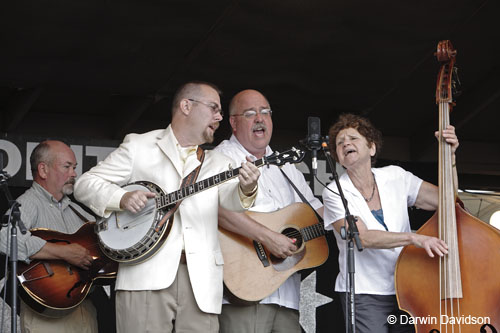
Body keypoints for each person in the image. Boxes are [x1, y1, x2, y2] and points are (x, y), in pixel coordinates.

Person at [73, 81, 260, 333]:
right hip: (144, 275)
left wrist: (247, 187)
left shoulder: (219, 161)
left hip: (201, 282)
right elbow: (85, 183)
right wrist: (121, 198)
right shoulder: (139, 146)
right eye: (214, 108)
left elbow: (232, 201)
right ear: (186, 106)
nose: (219, 116)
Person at [322, 113, 458, 333]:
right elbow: (362, 237)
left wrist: (449, 156)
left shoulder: (396, 176)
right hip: (364, 293)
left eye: (353, 138)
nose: (346, 143)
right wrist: (413, 238)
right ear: (338, 157)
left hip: (406, 286)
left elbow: (448, 200)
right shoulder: (334, 192)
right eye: (339, 142)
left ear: (372, 148)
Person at [215, 89, 324, 333]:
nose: (260, 119)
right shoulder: (221, 158)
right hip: (244, 290)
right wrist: (269, 238)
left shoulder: (286, 165)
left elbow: (318, 211)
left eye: (265, 112)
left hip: (287, 295)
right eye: (251, 113)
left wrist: (350, 212)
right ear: (233, 122)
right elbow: (217, 210)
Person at [0, 140, 98, 333]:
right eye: (67, 167)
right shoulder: (28, 203)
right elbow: (5, 238)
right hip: (45, 317)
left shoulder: (81, 213)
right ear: (43, 170)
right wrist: (63, 252)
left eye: (75, 167)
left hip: (83, 310)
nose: (74, 174)